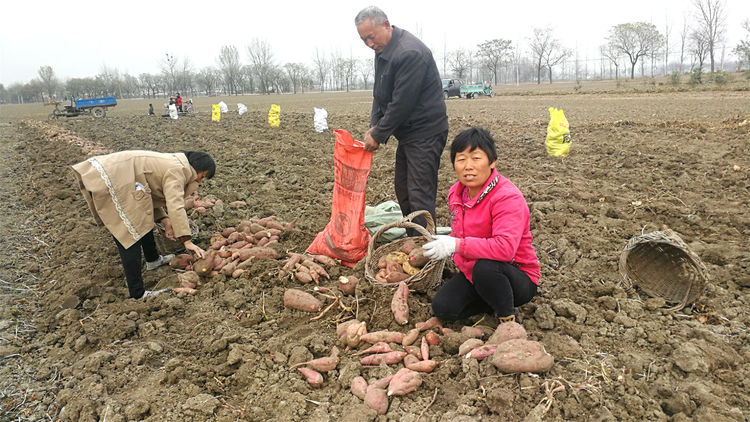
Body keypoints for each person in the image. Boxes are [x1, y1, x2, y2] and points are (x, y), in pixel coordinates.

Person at [424, 127, 541, 324]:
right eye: (461, 159)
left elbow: (505, 249)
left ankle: (507, 317)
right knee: (443, 308)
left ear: (492, 161)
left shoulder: (506, 197)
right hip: (473, 274)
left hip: (514, 276)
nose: (468, 166)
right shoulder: (456, 193)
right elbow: (459, 230)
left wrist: (456, 245)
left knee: (486, 268)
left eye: (476, 158)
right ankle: (492, 300)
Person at [72, 150, 216, 299]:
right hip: (111, 181)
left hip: (121, 180)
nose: (199, 181)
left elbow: (150, 197)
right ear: (198, 168)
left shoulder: (176, 165)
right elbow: (176, 205)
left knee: (141, 218)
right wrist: (186, 241)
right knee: (128, 233)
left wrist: (165, 221)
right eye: (203, 176)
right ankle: (138, 293)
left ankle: (152, 259)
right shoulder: (178, 170)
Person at [354, 6, 449, 232]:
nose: (369, 43)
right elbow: (380, 93)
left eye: (371, 37)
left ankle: (425, 252)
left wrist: (378, 134)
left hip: (425, 132)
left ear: (386, 25)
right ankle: (412, 242)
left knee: (419, 195)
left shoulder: (409, 53)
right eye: (363, 39)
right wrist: (374, 125)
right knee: (404, 191)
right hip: (409, 135)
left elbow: (402, 103)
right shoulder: (383, 51)